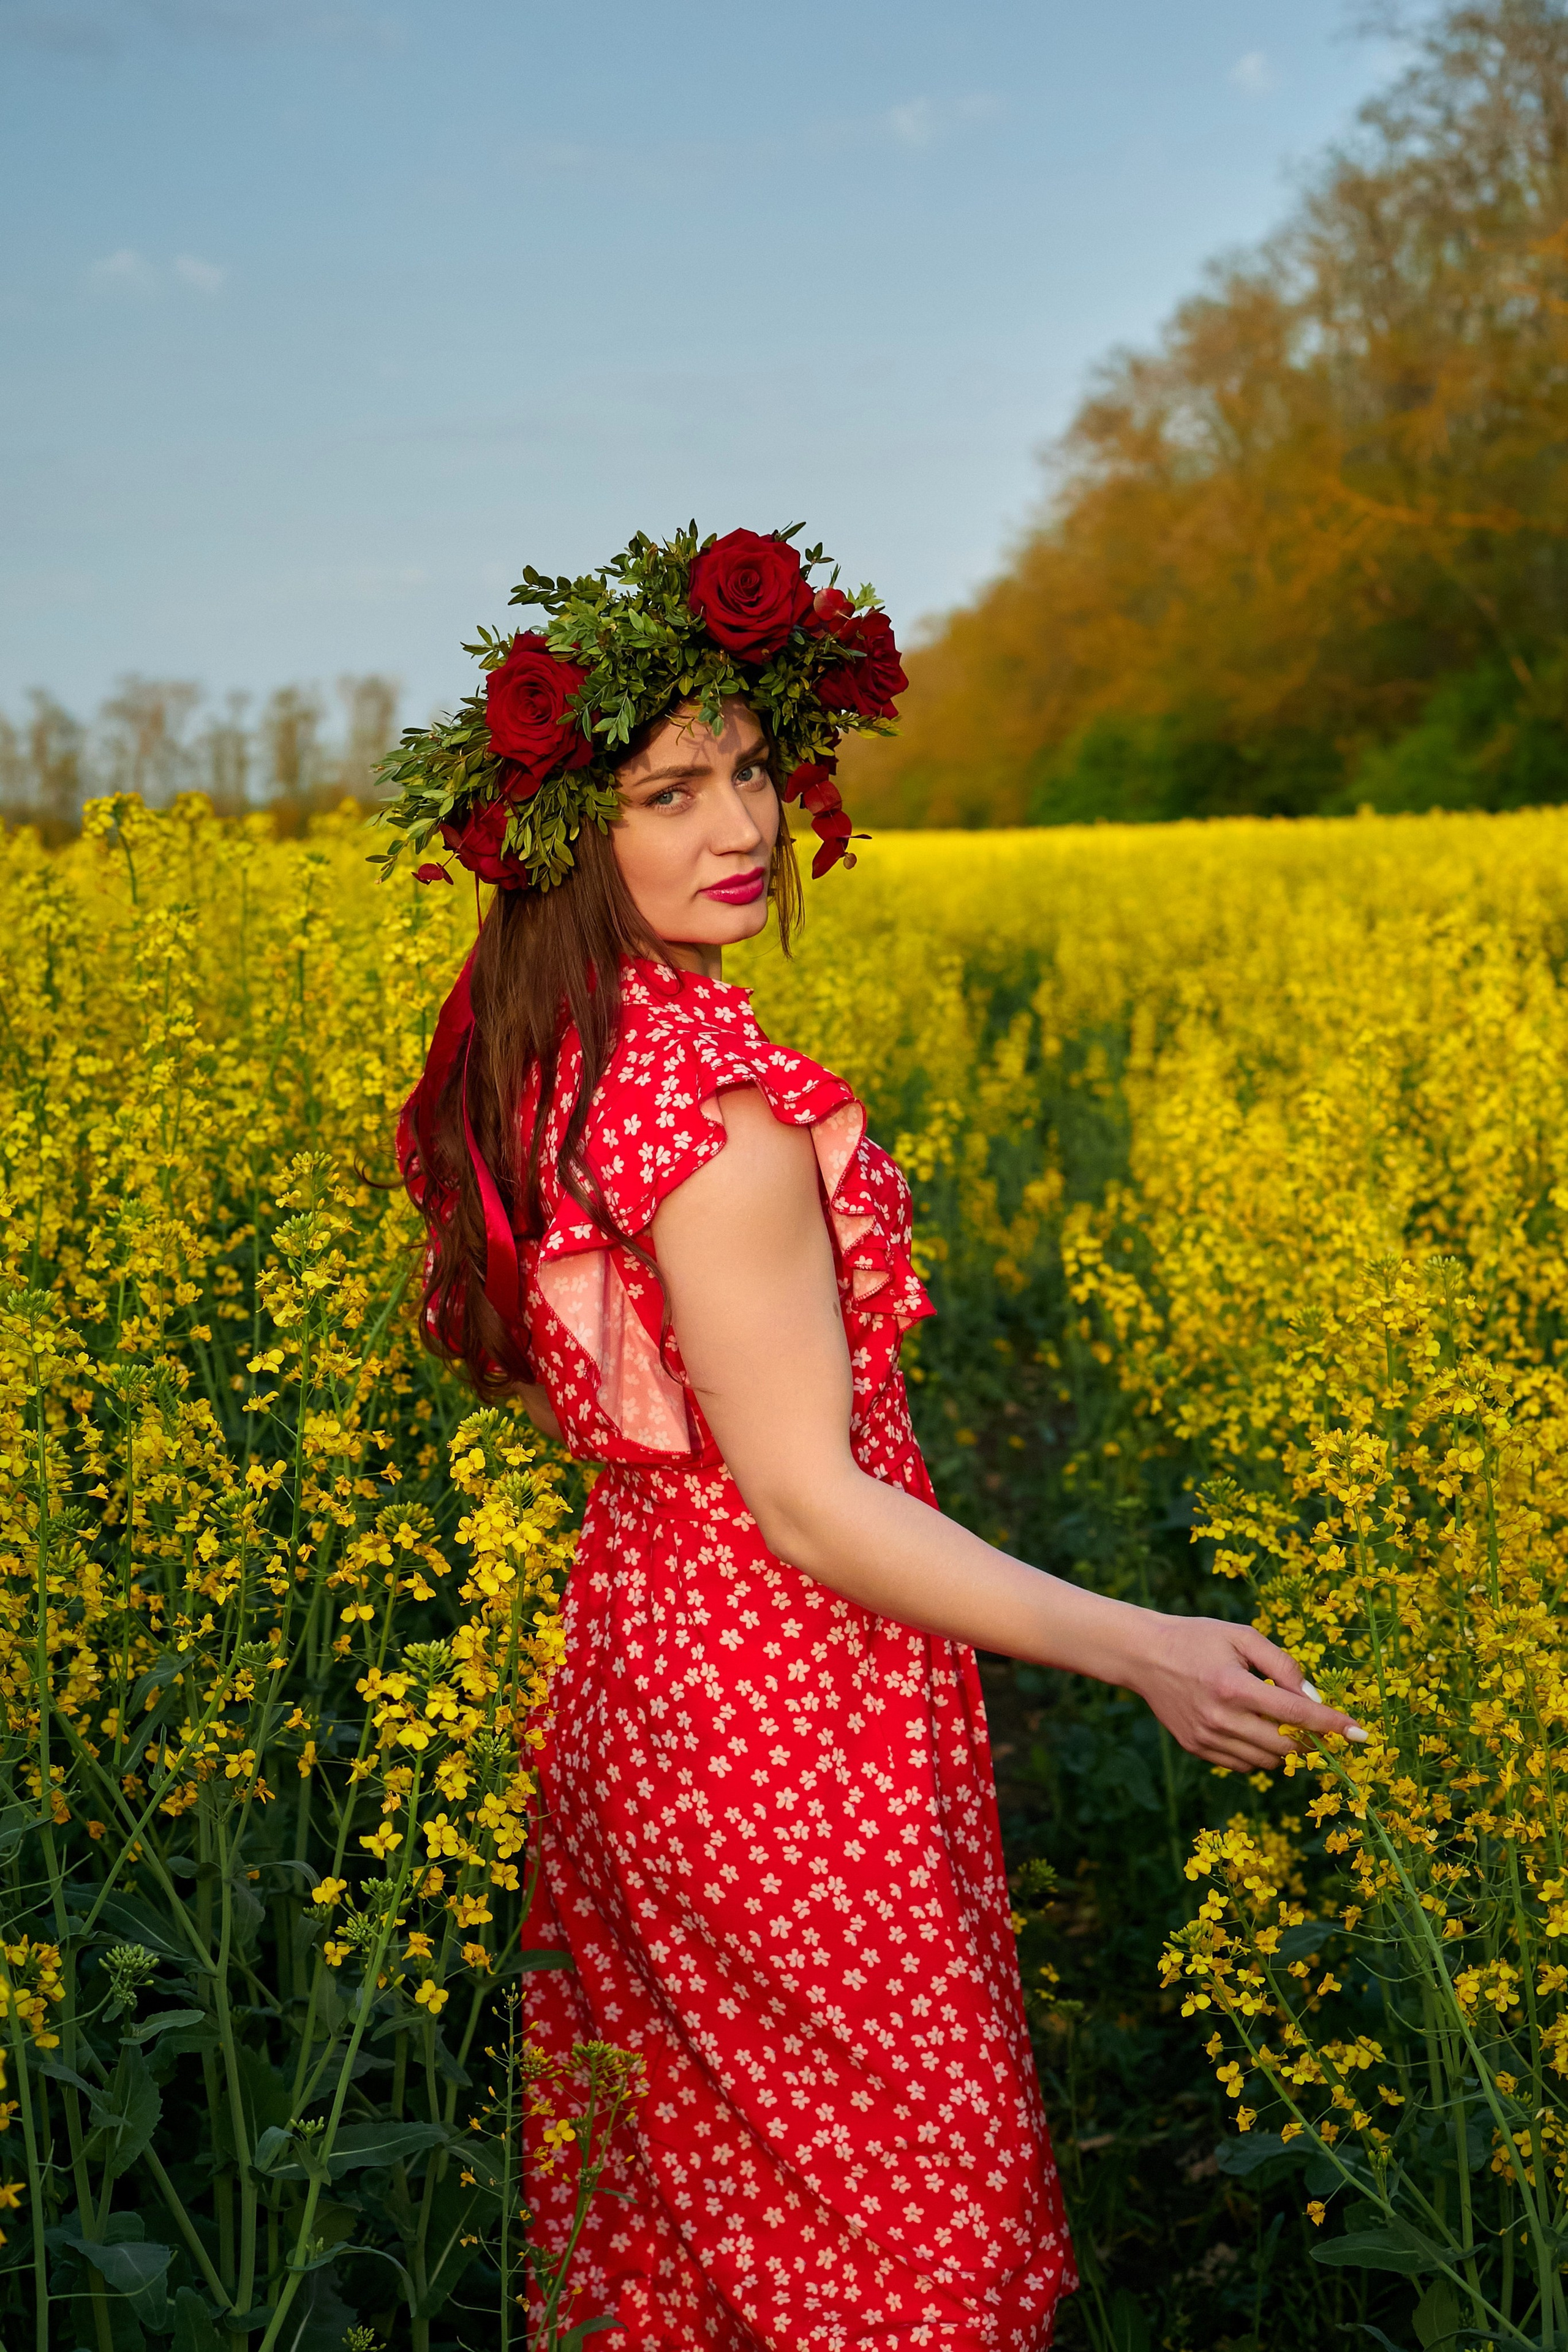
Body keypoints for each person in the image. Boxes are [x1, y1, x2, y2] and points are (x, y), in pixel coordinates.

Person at [390, 527, 1365, 2352]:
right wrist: (1144, 1646)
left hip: (643, 1681)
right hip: (795, 1716)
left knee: (705, 2234)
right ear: (565, 836)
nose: (739, 824)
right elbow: (811, 1504)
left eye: (751, 768)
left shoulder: (562, 1052)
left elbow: (628, 1406)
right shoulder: (722, 1112)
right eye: (669, 792)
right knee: (893, 2252)